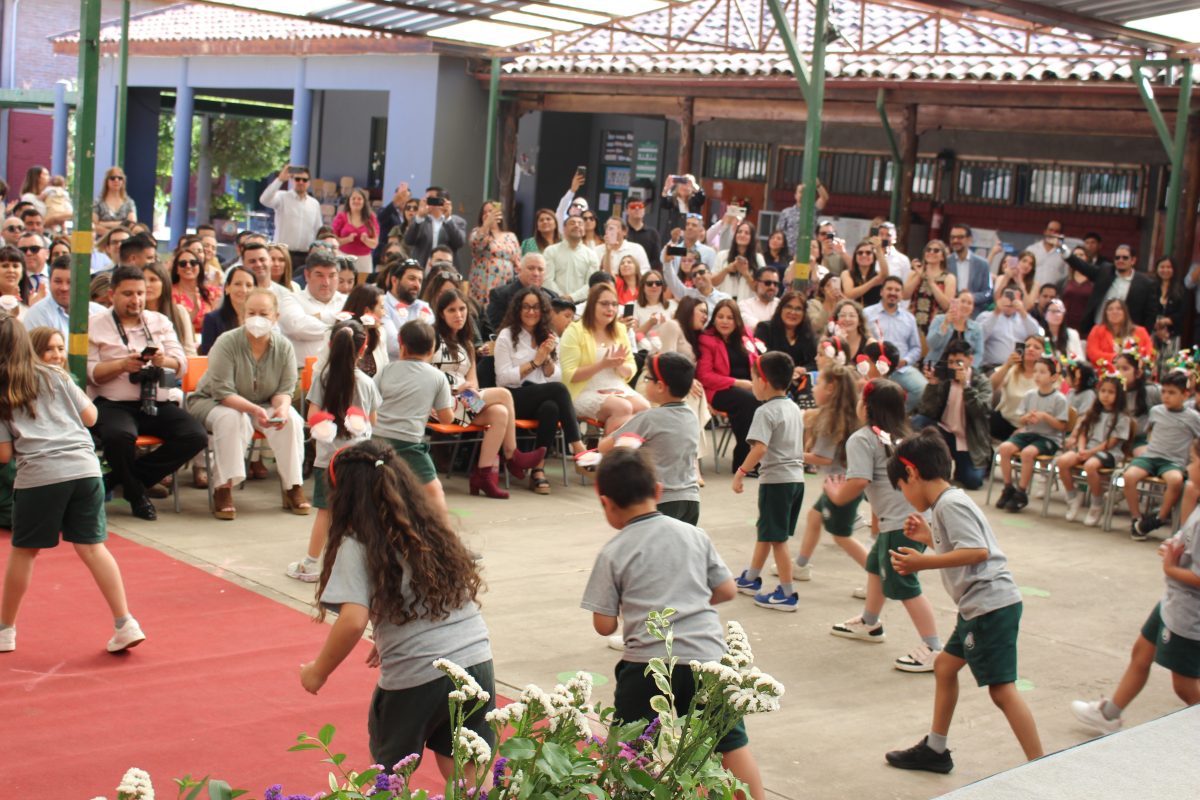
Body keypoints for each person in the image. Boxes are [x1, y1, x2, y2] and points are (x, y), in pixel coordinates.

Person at [298, 440, 494, 780]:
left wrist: (318, 671)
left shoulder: (357, 543)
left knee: (390, 776)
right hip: (475, 660)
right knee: (466, 764)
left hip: (416, 676)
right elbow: (428, 593)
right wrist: (389, 632)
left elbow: (352, 620)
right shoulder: (427, 525)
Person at [581, 447, 764, 800]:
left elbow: (604, 625)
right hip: (707, 661)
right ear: (659, 491)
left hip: (647, 666)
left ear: (605, 502)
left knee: (632, 751)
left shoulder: (614, 551)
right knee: (730, 744)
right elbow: (726, 590)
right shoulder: (694, 535)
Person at [884, 428, 1043, 773]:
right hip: (978, 607)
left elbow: (977, 551)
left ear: (911, 473)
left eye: (902, 488)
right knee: (944, 666)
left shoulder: (950, 504)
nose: (905, 496)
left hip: (990, 607)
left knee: (1002, 691)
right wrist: (928, 537)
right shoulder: (946, 502)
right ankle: (935, 749)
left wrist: (922, 561)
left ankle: (1041, 764)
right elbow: (961, 545)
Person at [0, 312, 146, 655]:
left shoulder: (3, 391)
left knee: (24, 552)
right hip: (85, 469)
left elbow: (4, 454)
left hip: (40, 476)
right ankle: (126, 622)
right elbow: (91, 417)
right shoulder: (55, 375)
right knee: (94, 547)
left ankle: (5, 630)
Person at [1072, 442, 1200, 735]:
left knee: (1184, 685)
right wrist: (1174, 548)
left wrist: (1170, 567)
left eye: (1193, 461)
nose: (1189, 468)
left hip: (1188, 610)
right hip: (1175, 598)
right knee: (1142, 651)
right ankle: (1108, 713)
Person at [825, 379, 943, 672]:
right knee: (877, 566)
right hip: (910, 517)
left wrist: (837, 496)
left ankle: (933, 647)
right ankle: (870, 622)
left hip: (901, 524)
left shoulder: (862, 439)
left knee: (903, 583)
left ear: (866, 406)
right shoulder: (904, 435)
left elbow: (861, 480)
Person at [87, 266, 206, 521]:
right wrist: (122, 365)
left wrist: (164, 360)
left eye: (140, 293)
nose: (136, 300)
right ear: (112, 295)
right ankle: (136, 494)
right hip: (114, 403)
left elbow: (182, 363)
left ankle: (123, 482)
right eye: (128, 293)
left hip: (156, 401)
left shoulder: (159, 321)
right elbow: (90, 373)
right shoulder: (95, 325)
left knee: (195, 436)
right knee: (119, 437)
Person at [185, 288, 310, 521]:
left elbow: (284, 389)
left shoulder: (284, 347)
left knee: (291, 418)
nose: (257, 318)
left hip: (263, 402)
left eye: (264, 313)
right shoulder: (227, 342)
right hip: (214, 402)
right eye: (251, 312)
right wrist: (254, 410)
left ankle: (293, 485)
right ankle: (223, 486)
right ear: (243, 315)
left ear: (276, 317)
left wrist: (281, 407)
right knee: (233, 418)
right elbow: (223, 392)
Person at [286, 320, 381, 583]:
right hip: (360, 459)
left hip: (328, 460)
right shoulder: (366, 382)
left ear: (331, 345)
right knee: (360, 512)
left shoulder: (323, 377)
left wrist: (328, 426)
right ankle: (362, 566)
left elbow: (313, 416)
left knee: (325, 512)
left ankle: (311, 564)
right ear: (363, 349)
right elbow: (372, 419)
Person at [431, 289, 545, 499]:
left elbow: (472, 378)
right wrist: (457, 389)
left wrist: (469, 389)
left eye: (462, 309)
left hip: (462, 402)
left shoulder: (466, 343)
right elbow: (426, 376)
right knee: (503, 394)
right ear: (441, 314)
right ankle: (512, 454)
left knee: (500, 412)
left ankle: (482, 476)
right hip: (440, 404)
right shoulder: (432, 339)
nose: (459, 314)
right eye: (452, 310)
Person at [731, 352, 806, 612]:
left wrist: (741, 471)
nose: (751, 383)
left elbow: (759, 449)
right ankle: (751, 578)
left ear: (763, 380)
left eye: (752, 378)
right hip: (796, 480)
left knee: (778, 539)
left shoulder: (765, 411)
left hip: (776, 482)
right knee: (768, 531)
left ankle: (787, 593)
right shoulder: (793, 407)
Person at [493, 287, 586, 493]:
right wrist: (535, 362)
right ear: (517, 310)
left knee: (551, 407)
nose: (531, 311)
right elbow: (503, 378)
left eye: (536, 307)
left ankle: (538, 469)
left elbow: (556, 376)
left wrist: (547, 362)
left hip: (540, 395)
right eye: (526, 307)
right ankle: (577, 445)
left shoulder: (550, 336)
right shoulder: (506, 336)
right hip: (512, 397)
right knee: (559, 391)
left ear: (543, 310)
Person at [597, 351, 701, 523]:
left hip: (662, 501)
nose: (645, 382)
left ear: (660, 386)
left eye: (647, 378)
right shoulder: (691, 415)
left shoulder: (648, 418)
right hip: (691, 498)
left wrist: (623, 426)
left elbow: (605, 447)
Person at [791, 364, 866, 580]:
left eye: (817, 384)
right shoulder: (845, 414)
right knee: (814, 518)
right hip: (841, 482)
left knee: (841, 537)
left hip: (842, 486)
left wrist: (793, 455)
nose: (813, 389)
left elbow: (823, 458)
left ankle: (878, 576)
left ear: (831, 388)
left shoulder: (831, 419)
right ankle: (801, 565)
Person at [1123, 371, 1200, 541]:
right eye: (1164, 392)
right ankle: (1137, 518)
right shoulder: (1156, 411)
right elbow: (1149, 433)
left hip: (1173, 461)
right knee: (1129, 476)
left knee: (1175, 480)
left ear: (1185, 394)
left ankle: (1159, 518)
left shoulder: (1194, 417)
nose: (1166, 396)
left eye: (1172, 393)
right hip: (1151, 456)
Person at [561, 283, 648, 432]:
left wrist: (619, 365)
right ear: (592, 305)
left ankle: (629, 451)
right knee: (623, 407)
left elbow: (631, 368)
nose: (610, 309)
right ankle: (610, 452)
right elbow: (569, 375)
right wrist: (602, 364)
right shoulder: (575, 330)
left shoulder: (620, 329)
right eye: (605, 304)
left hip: (617, 387)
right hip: (584, 391)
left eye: (614, 304)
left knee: (644, 407)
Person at [994, 356, 1070, 513]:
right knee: (1005, 448)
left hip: (1048, 438)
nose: (1037, 375)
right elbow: (1020, 419)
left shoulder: (1059, 399)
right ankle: (1008, 487)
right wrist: (1026, 418)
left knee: (1028, 453)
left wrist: (1045, 417)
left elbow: (1062, 426)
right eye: (1035, 371)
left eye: (1042, 372)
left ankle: (1021, 492)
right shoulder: (1029, 395)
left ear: (1054, 377)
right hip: (1029, 433)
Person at [914, 340, 993, 490]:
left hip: (969, 440)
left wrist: (966, 387)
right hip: (945, 433)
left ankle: (967, 467)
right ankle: (938, 463)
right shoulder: (944, 379)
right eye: (951, 362)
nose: (954, 366)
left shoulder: (982, 382)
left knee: (973, 481)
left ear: (970, 360)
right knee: (919, 421)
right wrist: (932, 385)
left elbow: (981, 410)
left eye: (959, 362)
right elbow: (926, 411)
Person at [697, 299, 763, 470]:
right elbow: (705, 376)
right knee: (749, 401)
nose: (725, 321)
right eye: (720, 317)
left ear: (737, 320)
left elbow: (756, 362)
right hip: (719, 390)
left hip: (749, 388)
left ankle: (761, 456)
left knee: (772, 400)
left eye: (730, 317)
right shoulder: (707, 339)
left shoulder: (745, 335)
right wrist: (738, 383)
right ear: (714, 319)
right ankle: (742, 459)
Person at [1058, 373, 1130, 527]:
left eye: (1111, 392)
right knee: (1063, 461)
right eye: (1103, 391)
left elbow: (1111, 443)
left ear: (1119, 395)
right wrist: (1082, 448)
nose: (1105, 395)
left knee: (1090, 465)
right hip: (1088, 449)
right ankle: (1072, 497)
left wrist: (1089, 453)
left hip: (1109, 453)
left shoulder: (1123, 417)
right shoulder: (1093, 412)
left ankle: (1096, 503)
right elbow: (1083, 432)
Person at [865, 276, 928, 411]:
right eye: (889, 289)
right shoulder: (867, 314)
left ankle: (897, 416)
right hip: (874, 367)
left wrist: (905, 361)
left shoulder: (909, 318)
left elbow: (916, 348)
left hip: (901, 369)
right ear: (881, 292)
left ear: (901, 295)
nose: (893, 293)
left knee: (923, 389)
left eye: (897, 290)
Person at [278, 250, 348, 369]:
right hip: (303, 373)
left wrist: (319, 317)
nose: (326, 282)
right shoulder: (290, 300)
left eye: (332, 275)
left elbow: (357, 330)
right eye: (319, 275)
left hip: (340, 372)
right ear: (307, 275)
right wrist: (339, 329)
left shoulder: (348, 301)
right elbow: (297, 328)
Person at [1070, 243, 1157, 336]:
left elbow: (1150, 314)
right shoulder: (1105, 271)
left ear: (1133, 260)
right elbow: (1083, 267)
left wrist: (1143, 337)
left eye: (1125, 258)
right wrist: (1064, 252)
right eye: (1117, 257)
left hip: (1126, 335)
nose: (1120, 260)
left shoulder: (1145, 283)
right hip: (1099, 329)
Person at [21, 255, 107, 333]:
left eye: (70, 282)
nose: (64, 288)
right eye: (58, 282)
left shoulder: (99, 313)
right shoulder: (37, 314)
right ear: (49, 282)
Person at [259, 165, 324, 267]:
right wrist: (280, 180)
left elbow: (318, 229)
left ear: (309, 182)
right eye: (297, 179)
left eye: (304, 180)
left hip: (305, 256)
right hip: (282, 253)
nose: (301, 182)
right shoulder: (282, 197)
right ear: (292, 180)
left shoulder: (314, 203)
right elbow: (264, 200)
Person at [754, 289, 816, 382]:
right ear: (780, 309)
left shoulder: (807, 334)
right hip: (770, 381)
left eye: (798, 309)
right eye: (788, 307)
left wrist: (804, 369)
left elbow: (815, 362)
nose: (793, 312)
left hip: (799, 382)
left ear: (804, 314)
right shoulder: (764, 329)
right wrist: (789, 371)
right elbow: (763, 358)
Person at [468, 199, 521, 306]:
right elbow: (476, 244)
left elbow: (518, 262)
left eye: (491, 211)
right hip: (483, 286)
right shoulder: (478, 232)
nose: (488, 214)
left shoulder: (510, 236)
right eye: (485, 212)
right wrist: (486, 225)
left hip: (505, 284)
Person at [977, 286, 1041, 370]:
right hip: (993, 366)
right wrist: (996, 312)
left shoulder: (1025, 319)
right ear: (1000, 298)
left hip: (1019, 368)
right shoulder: (986, 316)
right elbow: (979, 337)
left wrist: (1022, 311)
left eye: (1014, 297)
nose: (1010, 301)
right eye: (1008, 296)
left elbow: (1036, 335)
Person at [382, 258, 435, 360]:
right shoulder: (381, 304)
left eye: (420, 280)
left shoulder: (424, 307)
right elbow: (392, 345)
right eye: (412, 278)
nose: (417, 285)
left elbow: (432, 343)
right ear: (394, 280)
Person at [544, 215, 601, 304]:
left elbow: (591, 284)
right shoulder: (551, 251)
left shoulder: (591, 255)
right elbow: (547, 279)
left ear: (584, 231)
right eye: (572, 223)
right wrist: (560, 297)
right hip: (553, 302)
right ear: (564, 229)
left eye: (580, 224)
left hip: (581, 305)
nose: (577, 225)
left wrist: (572, 298)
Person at [144, 261, 196, 357]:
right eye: (143, 280)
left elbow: (190, 352)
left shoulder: (179, 312)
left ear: (164, 283)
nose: (147, 285)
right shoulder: (134, 315)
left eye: (153, 280)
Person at [200, 266, 255, 356]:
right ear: (227, 288)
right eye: (237, 284)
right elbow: (207, 357)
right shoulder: (212, 320)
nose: (243, 290)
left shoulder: (261, 318)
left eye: (249, 285)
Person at [905, 240, 956, 338]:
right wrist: (919, 275)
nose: (931, 252)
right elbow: (905, 296)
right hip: (913, 324)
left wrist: (932, 283)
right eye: (928, 250)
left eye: (936, 250)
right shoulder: (914, 273)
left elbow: (947, 305)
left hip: (935, 326)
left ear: (942, 257)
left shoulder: (949, 278)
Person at [405, 187, 465, 267]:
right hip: (421, 269)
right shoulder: (419, 220)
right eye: (426, 199)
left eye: (431, 199)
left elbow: (459, 243)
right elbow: (409, 241)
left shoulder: (457, 221)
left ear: (443, 201)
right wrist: (419, 217)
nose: (427, 202)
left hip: (446, 270)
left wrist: (448, 219)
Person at [170, 243, 220, 336]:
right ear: (176, 269)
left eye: (193, 263)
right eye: (183, 264)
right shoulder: (169, 293)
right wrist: (194, 312)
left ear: (200, 267)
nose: (188, 266)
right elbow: (173, 326)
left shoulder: (212, 292)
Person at [1086, 298, 1152, 366]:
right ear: (1105, 314)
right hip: (1104, 371)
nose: (1114, 312)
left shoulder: (1141, 332)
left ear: (1125, 313)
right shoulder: (1097, 330)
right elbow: (1092, 353)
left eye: (1119, 309)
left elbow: (1148, 352)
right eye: (1110, 309)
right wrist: (1115, 358)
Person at [331, 187, 378, 282]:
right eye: (353, 198)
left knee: (361, 289)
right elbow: (333, 241)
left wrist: (366, 240)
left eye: (359, 199)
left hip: (364, 261)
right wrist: (347, 239)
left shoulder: (371, 218)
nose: (356, 201)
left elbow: (374, 244)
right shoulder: (341, 217)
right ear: (349, 201)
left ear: (364, 202)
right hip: (343, 258)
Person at [923, 291, 983, 366]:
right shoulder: (939, 319)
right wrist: (945, 324)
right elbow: (932, 345)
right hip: (937, 365)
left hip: (962, 369)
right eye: (963, 301)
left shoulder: (977, 328)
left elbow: (979, 353)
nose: (965, 305)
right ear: (955, 302)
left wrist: (970, 368)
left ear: (972, 308)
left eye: (969, 303)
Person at [712, 222, 765, 302]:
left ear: (752, 237)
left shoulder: (758, 258)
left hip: (748, 307)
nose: (742, 235)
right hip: (724, 303)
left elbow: (761, 288)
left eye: (746, 233)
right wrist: (726, 270)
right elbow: (713, 282)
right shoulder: (722, 255)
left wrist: (746, 274)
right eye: (739, 232)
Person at [946, 225, 992, 316]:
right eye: (952, 237)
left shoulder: (983, 264)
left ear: (969, 240)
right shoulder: (945, 262)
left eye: (960, 237)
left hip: (973, 316)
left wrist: (970, 298)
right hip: (949, 313)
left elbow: (988, 292)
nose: (955, 240)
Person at [776, 181, 828, 255]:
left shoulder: (813, 210)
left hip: (808, 253)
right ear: (795, 195)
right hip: (788, 253)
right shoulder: (786, 212)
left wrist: (818, 185)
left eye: (806, 192)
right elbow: (779, 232)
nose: (803, 194)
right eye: (800, 192)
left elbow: (824, 198)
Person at [840, 239, 886, 308]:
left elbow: (885, 274)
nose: (864, 255)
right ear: (855, 256)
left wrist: (878, 250)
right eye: (860, 253)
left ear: (874, 256)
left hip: (874, 314)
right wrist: (874, 281)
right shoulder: (847, 273)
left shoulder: (878, 274)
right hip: (853, 314)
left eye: (868, 253)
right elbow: (849, 294)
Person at [1149, 255, 1186, 333]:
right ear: (1157, 269)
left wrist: (1166, 321)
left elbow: (1182, 312)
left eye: (1169, 267)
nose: (1165, 270)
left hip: (1171, 333)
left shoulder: (1181, 289)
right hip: (1151, 330)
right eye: (1162, 267)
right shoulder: (1150, 287)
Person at [738, 266, 781, 332]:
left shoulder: (782, 304)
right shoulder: (744, 305)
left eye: (775, 284)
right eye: (768, 283)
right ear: (756, 283)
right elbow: (756, 327)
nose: (772, 287)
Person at [624, 199, 662, 271]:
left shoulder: (653, 233)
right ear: (627, 210)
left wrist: (643, 271)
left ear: (644, 210)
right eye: (633, 206)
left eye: (640, 206)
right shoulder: (622, 232)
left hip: (645, 274)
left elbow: (656, 259)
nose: (637, 209)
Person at [1030, 219, 1068, 289]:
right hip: (1030, 292)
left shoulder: (1064, 254)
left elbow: (1066, 276)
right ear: (1045, 232)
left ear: (1060, 235)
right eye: (1050, 230)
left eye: (1056, 231)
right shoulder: (1032, 250)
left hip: (1052, 294)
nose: (1053, 233)